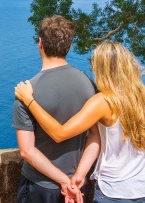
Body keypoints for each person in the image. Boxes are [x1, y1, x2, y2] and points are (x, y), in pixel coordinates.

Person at [15, 41, 145, 202]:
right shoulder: (142, 96)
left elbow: (59, 133)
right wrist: (80, 174)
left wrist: (29, 101)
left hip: (113, 192)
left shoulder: (104, 102)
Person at [12, 15, 97, 202]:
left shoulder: (27, 91)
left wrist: (63, 181)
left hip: (38, 186)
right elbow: (95, 135)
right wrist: (77, 177)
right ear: (69, 46)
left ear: (40, 43)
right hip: (78, 186)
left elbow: (26, 151)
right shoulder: (88, 84)